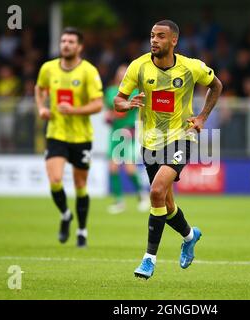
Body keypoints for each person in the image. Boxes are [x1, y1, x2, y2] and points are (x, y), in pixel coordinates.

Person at [114, 20, 223, 279]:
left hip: (181, 138)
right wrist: (127, 104)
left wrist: (202, 118)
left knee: (156, 191)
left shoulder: (190, 67)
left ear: (173, 40)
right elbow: (118, 101)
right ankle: (189, 236)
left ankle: (148, 259)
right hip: (150, 142)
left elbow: (216, 85)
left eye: (160, 36)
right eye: (152, 35)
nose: (154, 40)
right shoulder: (138, 66)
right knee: (166, 204)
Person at [34, 27, 103, 248]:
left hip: (81, 136)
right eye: (63, 41)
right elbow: (39, 88)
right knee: (55, 180)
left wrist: (73, 110)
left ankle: (82, 230)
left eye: (71, 42)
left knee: (80, 185)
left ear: (79, 46)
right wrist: (41, 108)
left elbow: (98, 104)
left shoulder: (88, 71)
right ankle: (65, 215)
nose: (66, 44)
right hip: (56, 133)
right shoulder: (48, 68)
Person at [104, 64, 149, 214]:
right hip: (115, 133)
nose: (122, 76)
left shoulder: (136, 91)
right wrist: (109, 117)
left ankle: (142, 196)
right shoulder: (111, 91)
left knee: (129, 167)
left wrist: (134, 127)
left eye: (125, 74)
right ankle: (119, 201)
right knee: (113, 167)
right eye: (120, 73)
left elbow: (139, 113)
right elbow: (111, 110)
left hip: (128, 132)